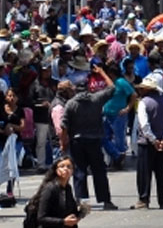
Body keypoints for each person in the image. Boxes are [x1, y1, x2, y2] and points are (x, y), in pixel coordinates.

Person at [60, 66, 118, 211]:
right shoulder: (96, 99)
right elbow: (112, 88)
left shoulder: (71, 104)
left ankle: (82, 201)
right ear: (88, 88)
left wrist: (63, 142)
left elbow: (64, 126)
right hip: (94, 140)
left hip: (77, 141)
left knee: (79, 171)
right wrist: (103, 72)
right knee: (99, 171)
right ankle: (106, 201)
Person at [131, 77, 163, 210]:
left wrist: (153, 140)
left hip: (147, 144)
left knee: (144, 174)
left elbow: (144, 125)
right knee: (162, 174)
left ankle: (144, 199)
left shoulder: (144, 103)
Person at [28, 157, 82, 228]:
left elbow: (72, 212)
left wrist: (81, 212)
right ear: (56, 170)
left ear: (72, 171)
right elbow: (41, 218)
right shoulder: (50, 189)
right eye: (62, 166)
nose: (66, 169)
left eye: (69, 167)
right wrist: (63, 221)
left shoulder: (67, 188)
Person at [101, 63, 134, 170]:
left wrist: (127, 108)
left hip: (118, 115)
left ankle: (119, 161)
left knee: (119, 139)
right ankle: (116, 156)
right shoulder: (109, 83)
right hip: (107, 114)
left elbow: (133, 95)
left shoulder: (121, 82)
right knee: (103, 137)